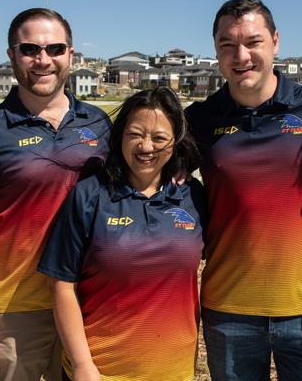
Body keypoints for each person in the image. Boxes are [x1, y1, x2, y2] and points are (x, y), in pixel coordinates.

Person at [185, 0, 302, 380]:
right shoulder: (199, 119)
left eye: (253, 42)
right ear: (216, 50)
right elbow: (161, 182)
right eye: (227, 44)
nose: (240, 55)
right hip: (229, 311)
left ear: (276, 42)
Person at [0, 8, 111, 381]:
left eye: (55, 48)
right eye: (30, 49)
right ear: (12, 55)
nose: (43, 60)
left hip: (88, 303)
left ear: (71, 56)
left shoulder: (99, 124)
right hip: (16, 311)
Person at [38, 86, 205, 381]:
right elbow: (61, 285)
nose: (146, 146)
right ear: (120, 137)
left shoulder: (193, 196)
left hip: (174, 370)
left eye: (159, 137)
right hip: (102, 371)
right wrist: (82, 364)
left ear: (175, 142)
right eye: (135, 134)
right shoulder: (90, 195)